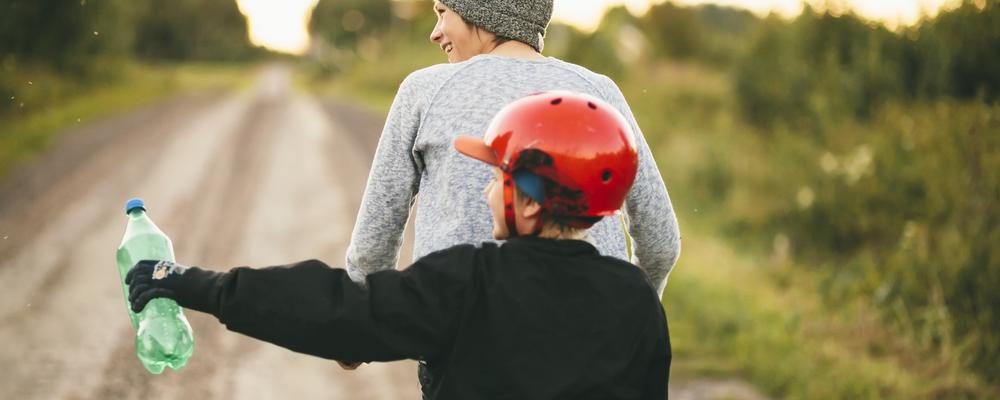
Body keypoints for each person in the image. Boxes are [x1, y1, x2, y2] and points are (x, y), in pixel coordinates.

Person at [126, 91, 670, 399]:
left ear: (528, 202)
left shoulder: (470, 279)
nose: (486, 189)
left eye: (496, 175)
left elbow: (335, 310)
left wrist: (188, 282)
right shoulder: (637, 300)